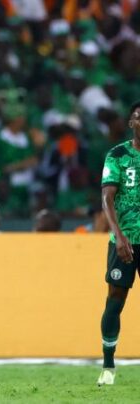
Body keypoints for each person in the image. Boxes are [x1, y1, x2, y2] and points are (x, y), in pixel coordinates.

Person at [97, 101, 140, 386]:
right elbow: (107, 198)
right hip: (124, 241)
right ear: (131, 123)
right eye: (137, 115)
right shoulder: (118, 155)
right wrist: (119, 235)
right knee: (115, 302)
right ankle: (108, 366)